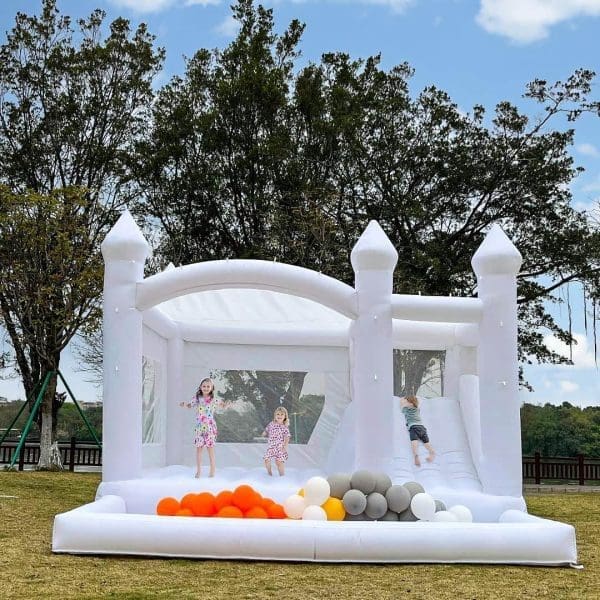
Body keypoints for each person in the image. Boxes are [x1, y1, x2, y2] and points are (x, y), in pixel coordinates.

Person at [179, 377, 224, 478]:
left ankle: (212, 470)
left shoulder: (213, 399)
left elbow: (222, 405)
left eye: (208, 386)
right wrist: (184, 405)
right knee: (199, 449)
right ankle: (199, 471)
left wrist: (227, 405)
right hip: (200, 427)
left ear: (212, 388)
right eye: (204, 386)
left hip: (210, 427)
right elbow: (190, 405)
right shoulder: (197, 399)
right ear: (200, 387)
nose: (206, 388)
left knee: (210, 448)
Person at [400, 395, 435, 467]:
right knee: (426, 443)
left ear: (408, 402)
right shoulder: (417, 408)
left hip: (413, 427)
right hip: (422, 427)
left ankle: (416, 455)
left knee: (414, 442)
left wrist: (402, 400)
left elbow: (401, 406)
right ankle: (432, 452)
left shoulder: (406, 409)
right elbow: (416, 402)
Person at [262, 406, 291, 476]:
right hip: (271, 447)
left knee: (279, 462)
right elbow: (267, 429)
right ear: (275, 416)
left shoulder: (284, 427)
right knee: (266, 460)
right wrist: (264, 433)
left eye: (282, 414)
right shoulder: (271, 424)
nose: (279, 416)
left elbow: (287, 437)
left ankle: (282, 475)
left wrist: (285, 446)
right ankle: (269, 473)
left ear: (285, 417)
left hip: (280, 447)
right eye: (278, 414)